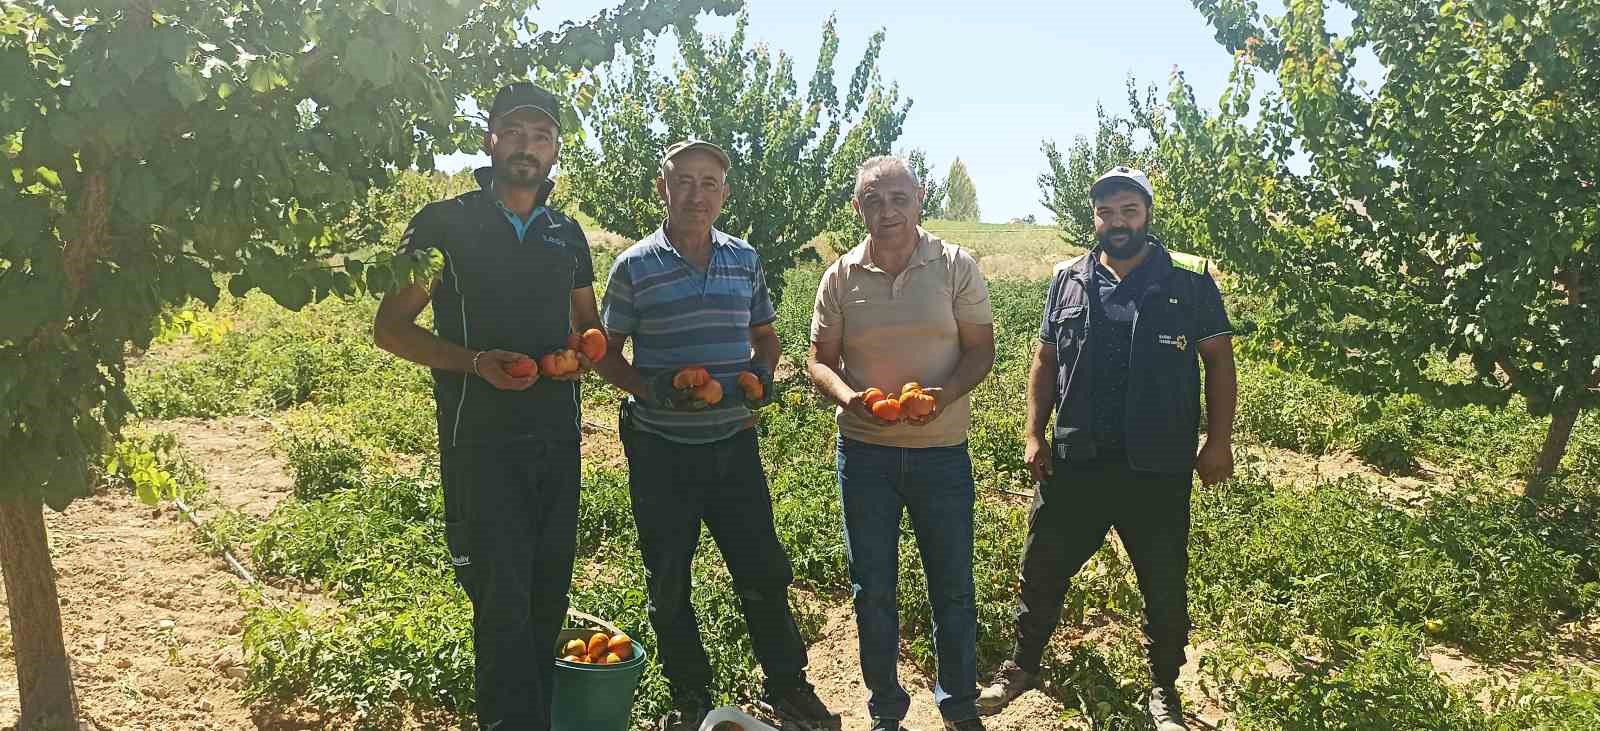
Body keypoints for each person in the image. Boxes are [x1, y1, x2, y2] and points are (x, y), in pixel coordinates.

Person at [372, 82, 602, 730]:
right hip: (481, 441)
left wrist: (581, 352)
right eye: (515, 131)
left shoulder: (568, 234)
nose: (527, 147)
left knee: (547, 597)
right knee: (501, 604)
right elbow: (390, 327)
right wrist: (475, 362)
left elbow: (587, 325)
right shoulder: (444, 225)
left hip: (558, 438)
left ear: (555, 149)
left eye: (541, 135)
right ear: (489, 139)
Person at [593, 139, 842, 731]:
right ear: (663, 188)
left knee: (762, 571)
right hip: (660, 449)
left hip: (733, 445)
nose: (696, 194)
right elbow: (606, 354)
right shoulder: (633, 267)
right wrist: (650, 389)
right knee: (669, 580)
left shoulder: (744, 260)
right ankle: (690, 697)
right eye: (684, 181)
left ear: (724, 194)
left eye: (709, 183)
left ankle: (788, 686)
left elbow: (767, 339)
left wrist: (760, 378)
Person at [976, 166, 1238, 731]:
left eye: (1128, 211)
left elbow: (1219, 361)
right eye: (1106, 213)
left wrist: (1218, 443)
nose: (1117, 223)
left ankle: (1164, 688)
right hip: (1077, 462)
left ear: (1146, 213)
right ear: (1093, 217)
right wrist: (1032, 433)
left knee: (1163, 578)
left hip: (1157, 466)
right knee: (1041, 567)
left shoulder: (1188, 280)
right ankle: (1022, 666)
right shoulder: (1068, 279)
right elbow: (1045, 360)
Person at [805, 156, 996, 731]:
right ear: (858, 207)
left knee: (953, 585)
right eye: (873, 200)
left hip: (941, 451)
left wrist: (943, 396)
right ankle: (886, 707)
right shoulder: (840, 276)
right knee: (873, 588)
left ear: (920, 198)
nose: (887, 211)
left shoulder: (956, 265)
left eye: (898, 198)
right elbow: (819, 361)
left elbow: (980, 352)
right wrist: (848, 398)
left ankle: (959, 704)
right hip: (865, 454)